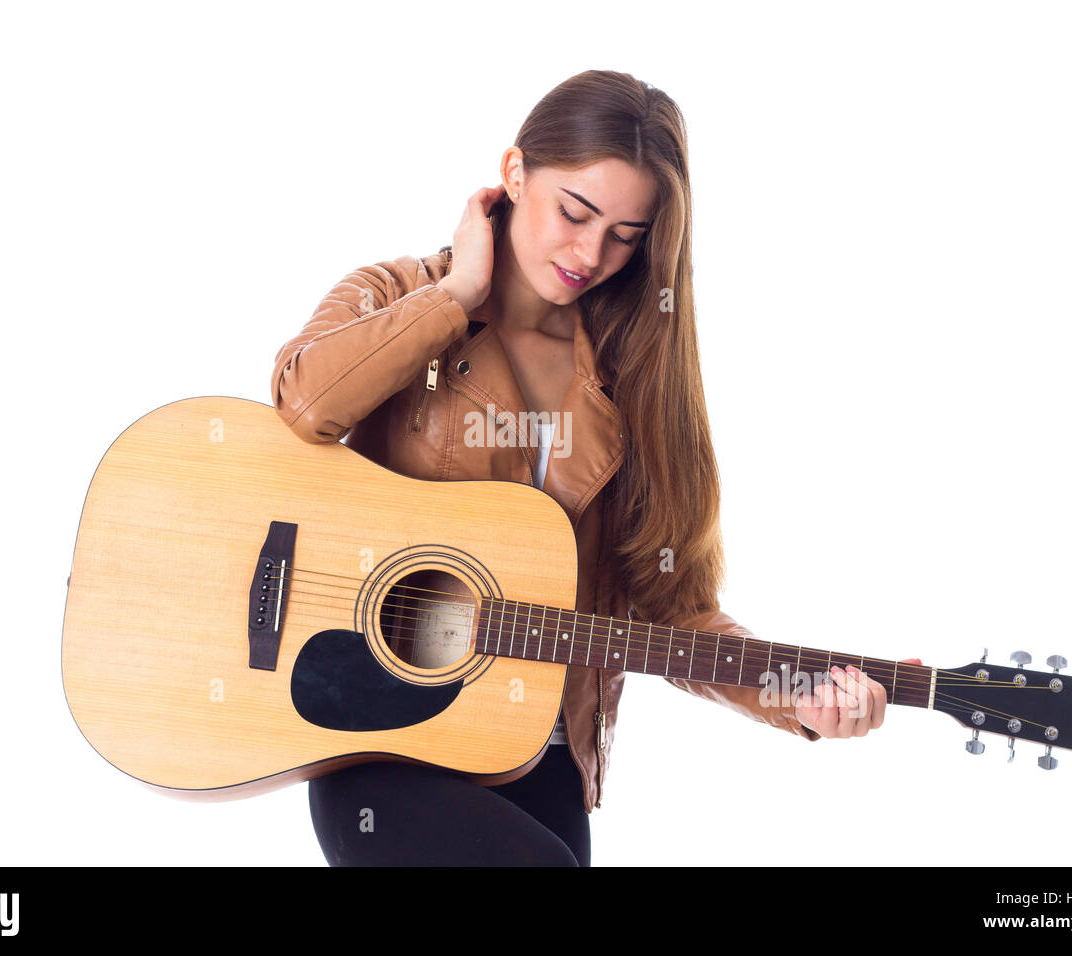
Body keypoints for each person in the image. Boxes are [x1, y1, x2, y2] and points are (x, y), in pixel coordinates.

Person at [270, 69, 919, 866]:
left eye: (626, 234)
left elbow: (672, 610)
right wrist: (457, 295)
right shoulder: (398, 292)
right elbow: (304, 402)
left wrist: (800, 700)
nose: (589, 253)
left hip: (534, 749)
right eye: (574, 212)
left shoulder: (638, 379)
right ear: (514, 175)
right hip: (378, 734)